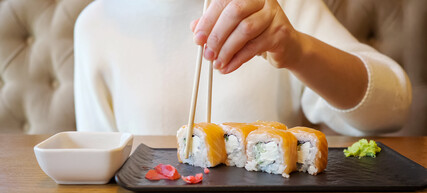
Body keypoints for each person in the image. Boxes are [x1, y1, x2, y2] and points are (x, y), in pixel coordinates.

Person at [74, 0, 411, 136]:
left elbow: (393, 105)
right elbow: (100, 179)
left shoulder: (274, 5)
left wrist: (296, 50)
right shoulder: (95, 24)